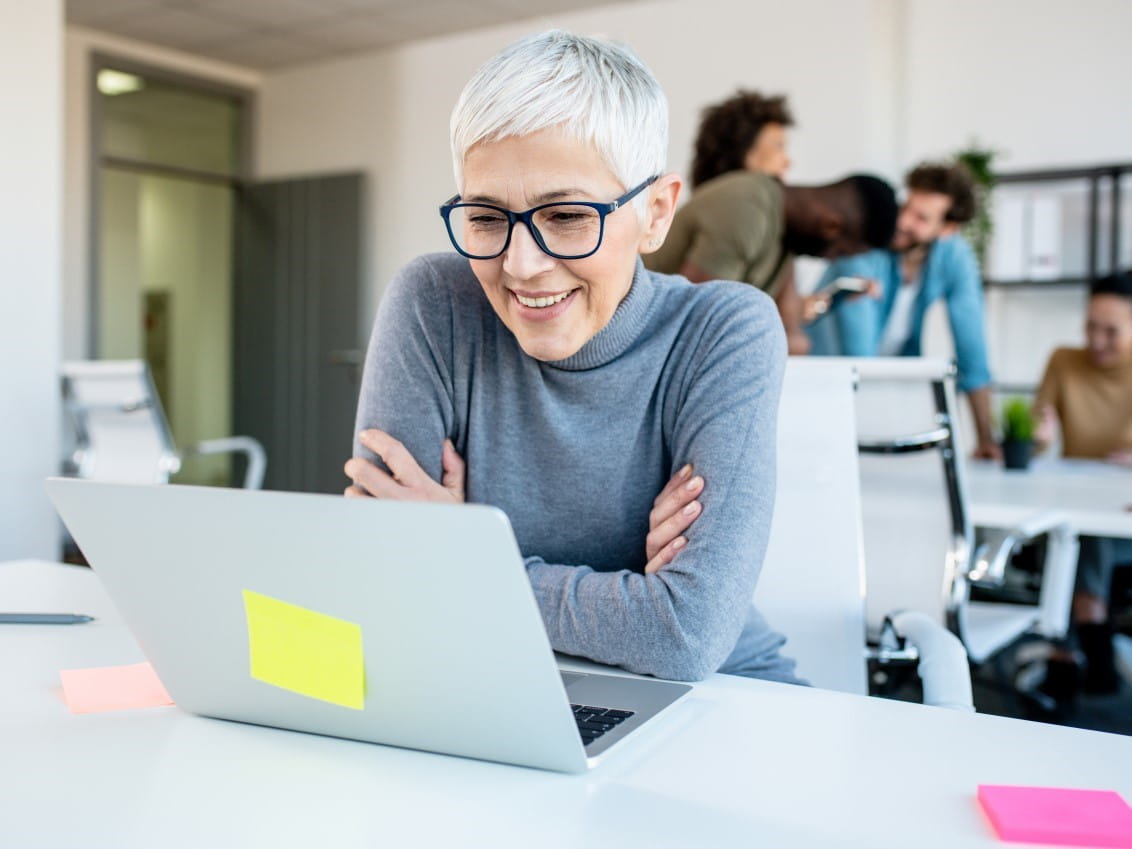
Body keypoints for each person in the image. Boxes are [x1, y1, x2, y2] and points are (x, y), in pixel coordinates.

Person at [343, 30, 800, 683]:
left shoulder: (725, 329)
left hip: (715, 699)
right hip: (485, 681)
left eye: (566, 216)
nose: (520, 265)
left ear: (656, 212)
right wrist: (628, 597)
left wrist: (468, 550)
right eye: (485, 217)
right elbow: (381, 577)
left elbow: (683, 633)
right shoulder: (435, 303)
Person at [809, 162, 1000, 460]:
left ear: (948, 229)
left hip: (880, 386)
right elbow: (859, 355)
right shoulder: (865, 243)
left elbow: (972, 346)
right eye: (906, 207)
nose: (902, 221)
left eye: (921, 218)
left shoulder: (954, 256)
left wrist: (986, 439)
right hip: (824, 383)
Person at [1033, 271, 1132, 693]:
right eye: (1091, 326)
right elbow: (1037, 434)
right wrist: (1037, 437)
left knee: (1076, 533)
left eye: (1111, 331)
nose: (1097, 340)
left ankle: (1065, 648)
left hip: (1122, 521)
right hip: (1077, 508)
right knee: (1066, 524)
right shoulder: (1063, 360)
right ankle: (1090, 637)